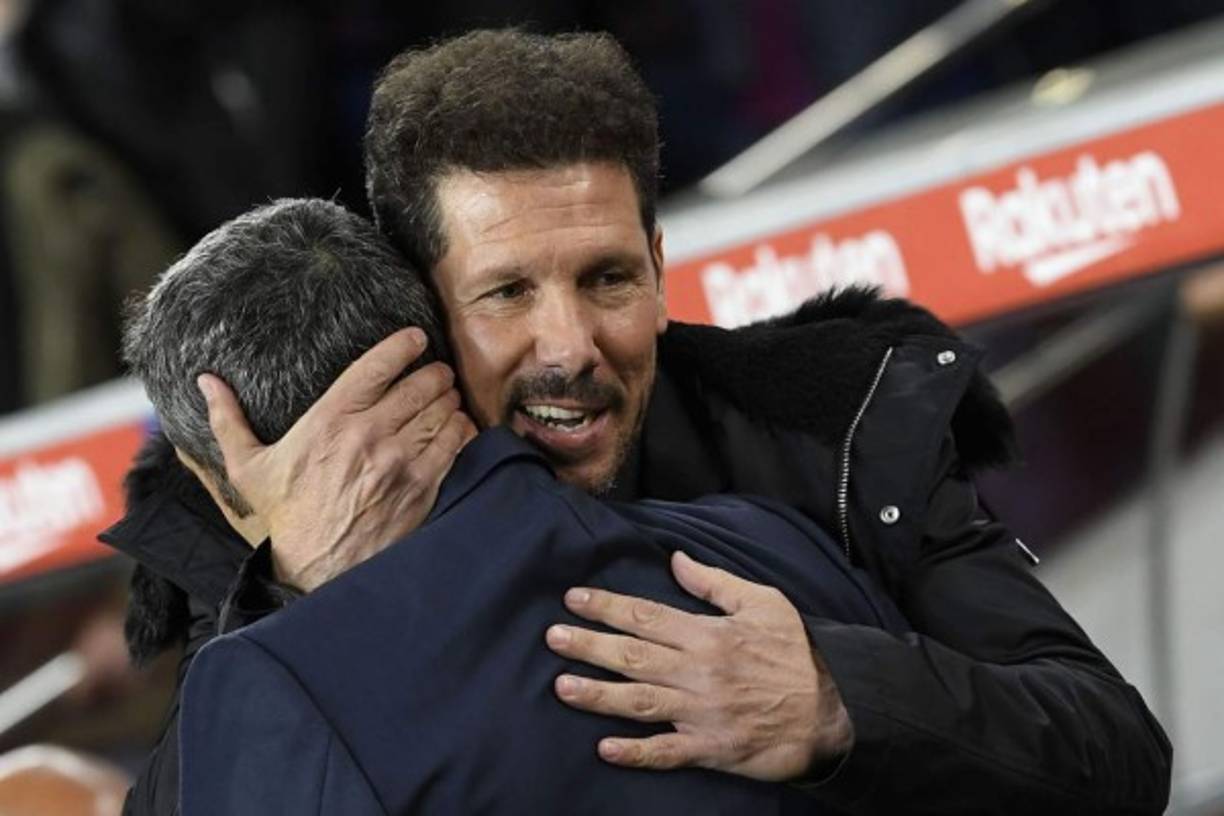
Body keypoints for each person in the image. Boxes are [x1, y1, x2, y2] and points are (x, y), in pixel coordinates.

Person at [108, 29, 1171, 815]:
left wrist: (840, 703)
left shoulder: (832, 434)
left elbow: (1116, 750)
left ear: (663, 272)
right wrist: (307, 594)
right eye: (508, 294)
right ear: (424, 319)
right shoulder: (276, 536)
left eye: (608, 278)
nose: (569, 345)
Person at [121, 196, 912, 813]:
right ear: (443, 361)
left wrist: (292, 601)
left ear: (212, 467)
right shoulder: (764, 547)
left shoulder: (269, 693)